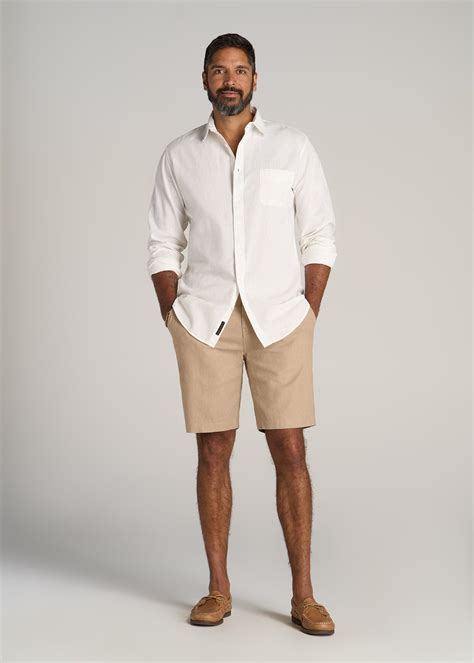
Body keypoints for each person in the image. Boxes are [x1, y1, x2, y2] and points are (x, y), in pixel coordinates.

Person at [146, 33, 337, 636]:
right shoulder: (179, 156)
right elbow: (162, 241)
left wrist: (308, 310)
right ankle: (217, 589)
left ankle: (304, 596)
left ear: (256, 79)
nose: (229, 80)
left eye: (240, 70)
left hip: (281, 320)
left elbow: (320, 234)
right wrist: (172, 312)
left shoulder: (292, 146)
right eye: (219, 70)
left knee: (291, 449)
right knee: (213, 450)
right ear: (204, 80)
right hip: (206, 321)